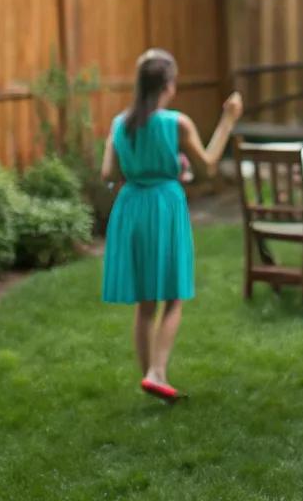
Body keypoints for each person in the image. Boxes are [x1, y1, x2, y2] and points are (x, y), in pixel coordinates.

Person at [101, 48, 243, 397]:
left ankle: (149, 377)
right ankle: (158, 372)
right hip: (164, 206)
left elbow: (108, 173)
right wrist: (228, 120)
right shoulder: (176, 124)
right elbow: (208, 166)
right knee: (173, 296)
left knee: (146, 303)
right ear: (169, 85)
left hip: (132, 206)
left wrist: (143, 168)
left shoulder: (120, 124)